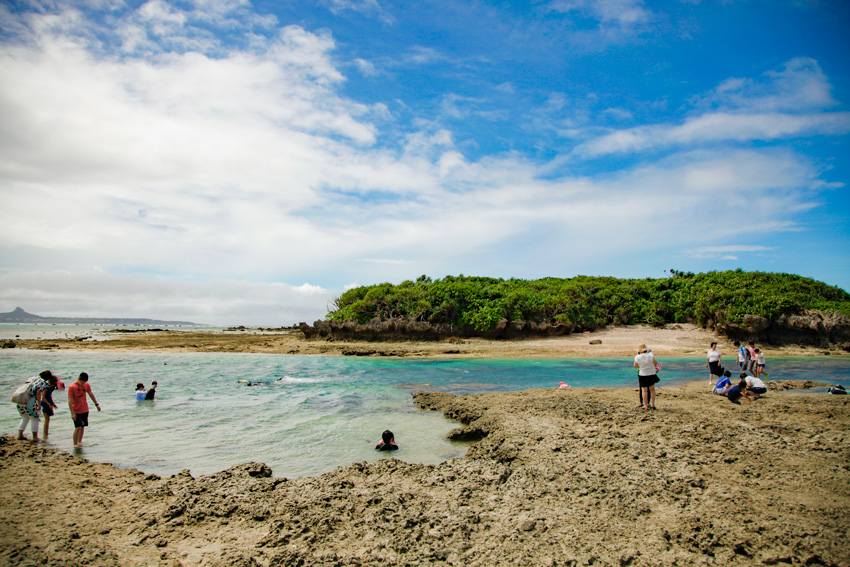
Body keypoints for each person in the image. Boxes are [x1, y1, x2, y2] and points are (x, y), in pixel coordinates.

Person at [16, 370, 55, 441]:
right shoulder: (42, 382)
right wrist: (39, 404)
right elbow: (38, 392)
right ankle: (35, 437)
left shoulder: (31, 378)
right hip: (30, 401)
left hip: (21, 399)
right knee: (34, 418)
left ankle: (20, 435)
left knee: (25, 417)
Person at [68, 372, 101, 448]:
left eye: (84, 382)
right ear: (79, 379)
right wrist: (72, 413)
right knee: (77, 427)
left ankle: (79, 442)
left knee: (82, 426)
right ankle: (75, 444)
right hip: (76, 410)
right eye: (82, 382)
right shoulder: (72, 387)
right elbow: (69, 400)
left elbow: (90, 394)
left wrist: (96, 404)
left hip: (84, 409)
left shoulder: (86, 385)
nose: (83, 384)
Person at [633, 344, 659, 410]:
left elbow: (635, 366)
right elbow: (655, 363)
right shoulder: (650, 355)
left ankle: (645, 405)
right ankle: (652, 405)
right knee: (652, 390)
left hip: (643, 374)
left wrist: (640, 366)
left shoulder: (637, 357)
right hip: (652, 374)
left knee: (644, 391)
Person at [40, 373, 60, 440]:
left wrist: (53, 404)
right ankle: (45, 434)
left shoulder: (51, 387)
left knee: (48, 419)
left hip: (48, 402)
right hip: (45, 403)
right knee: (47, 419)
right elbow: (43, 397)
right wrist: (49, 404)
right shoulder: (46, 387)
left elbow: (49, 396)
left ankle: (46, 433)